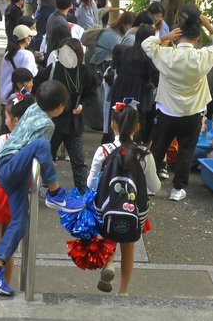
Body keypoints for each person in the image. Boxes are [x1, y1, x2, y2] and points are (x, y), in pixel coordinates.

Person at [0, 80, 86, 296]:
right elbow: (35, 150)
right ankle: (55, 193)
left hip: (13, 174)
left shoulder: (33, 107)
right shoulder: (48, 124)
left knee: (21, 221)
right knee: (42, 145)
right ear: (61, 106)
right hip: (11, 166)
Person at [141, 5, 213, 202]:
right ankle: (177, 189)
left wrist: (164, 37)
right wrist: (210, 28)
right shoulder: (203, 56)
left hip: (167, 111)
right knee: (186, 151)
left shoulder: (167, 54)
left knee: (158, 148)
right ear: (197, 40)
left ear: (178, 37)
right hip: (192, 113)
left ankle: (149, 186)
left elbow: (146, 44)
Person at [87, 103, 160, 296]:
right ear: (137, 127)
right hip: (134, 211)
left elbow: (90, 183)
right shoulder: (144, 154)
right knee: (129, 246)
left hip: (106, 208)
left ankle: (109, 262)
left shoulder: (103, 150)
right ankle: (124, 290)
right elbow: (156, 187)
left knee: (109, 234)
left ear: (112, 125)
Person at [0, 94, 35, 290]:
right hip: (19, 196)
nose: (5, 121)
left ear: (16, 120)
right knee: (8, 245)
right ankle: (5, 283)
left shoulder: (5, 139)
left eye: (7, 117)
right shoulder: (34, 142)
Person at [34, 38, 98, 192]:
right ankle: (46, 187)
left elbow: (91, 93)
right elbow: (36, 84)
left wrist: (82, 105)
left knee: (78, 160)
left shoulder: (83, 72)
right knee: (47, 157)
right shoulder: (53, 68)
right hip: (53, 123)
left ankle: (82, 191)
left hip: (74, 122)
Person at [108, 24, 159, 145]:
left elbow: (118, 69)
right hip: (139, 96)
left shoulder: (124, 52)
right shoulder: (148, 56)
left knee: (119, 123)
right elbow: (157, 78)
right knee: (137, 128)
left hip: (120, 92)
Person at [0, 25, 38, 134]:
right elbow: (31, 74)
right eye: (30, 36)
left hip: (6, 98)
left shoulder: (8, 54)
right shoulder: (27, 55)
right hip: (20, 100)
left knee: (6, 132)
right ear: (26, 39)